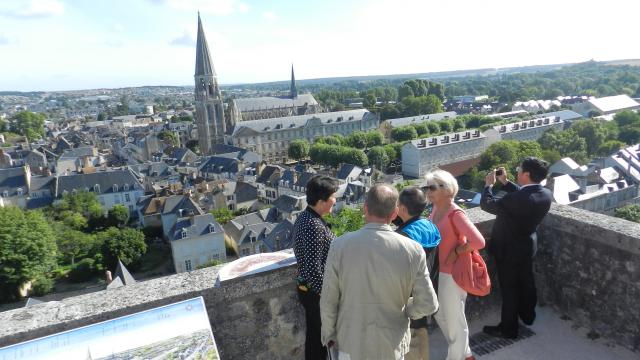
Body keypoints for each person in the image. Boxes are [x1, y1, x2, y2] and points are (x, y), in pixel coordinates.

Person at [320, 184, 439, 360]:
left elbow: (328, 300)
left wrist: (329, 335)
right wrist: (406, 310)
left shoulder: (340, 246)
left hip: (351, 342)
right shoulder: (413, 249)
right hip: (392, 342)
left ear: (365, 208)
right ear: (394, 213)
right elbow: (429, 303)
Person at [480, 157, 553, 339]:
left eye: (519, 169)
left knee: (510, 289)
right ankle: (528, 316)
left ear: (526, 174)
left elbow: (487, 204)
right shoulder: (545, 193)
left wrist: (488, 185)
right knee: (526, 283)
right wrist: (505, 182)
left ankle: (508, 329)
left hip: (508, 250)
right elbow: (525, 195)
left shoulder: (518, 200)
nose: (517, 170)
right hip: (527, 246)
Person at [425, 169, 485, 360]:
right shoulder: (436, 209)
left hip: (452, 274)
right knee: (440, 315)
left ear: (446, 189)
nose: (428, 191)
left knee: (455, 322)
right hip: (437, 271)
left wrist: (456, 252)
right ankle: (466, 354)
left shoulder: (455, 213)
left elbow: (479, 241)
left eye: (432, 187)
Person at [293, 175, 339, 360]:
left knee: (315, 336)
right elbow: (313, 270)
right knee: (319, 339)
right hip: (315, 294)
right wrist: (329, 295)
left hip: (308, 290)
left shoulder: (306, 217)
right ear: (321, 202)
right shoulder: (314, 226)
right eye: (332, 197)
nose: (335, 200)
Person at [396, 187, 441, 360]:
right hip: (427, 291)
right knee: (421, 336)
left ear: (404, 209)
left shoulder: (402, 238)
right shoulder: (430, 226)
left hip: (408, 299)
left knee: (409, 343)